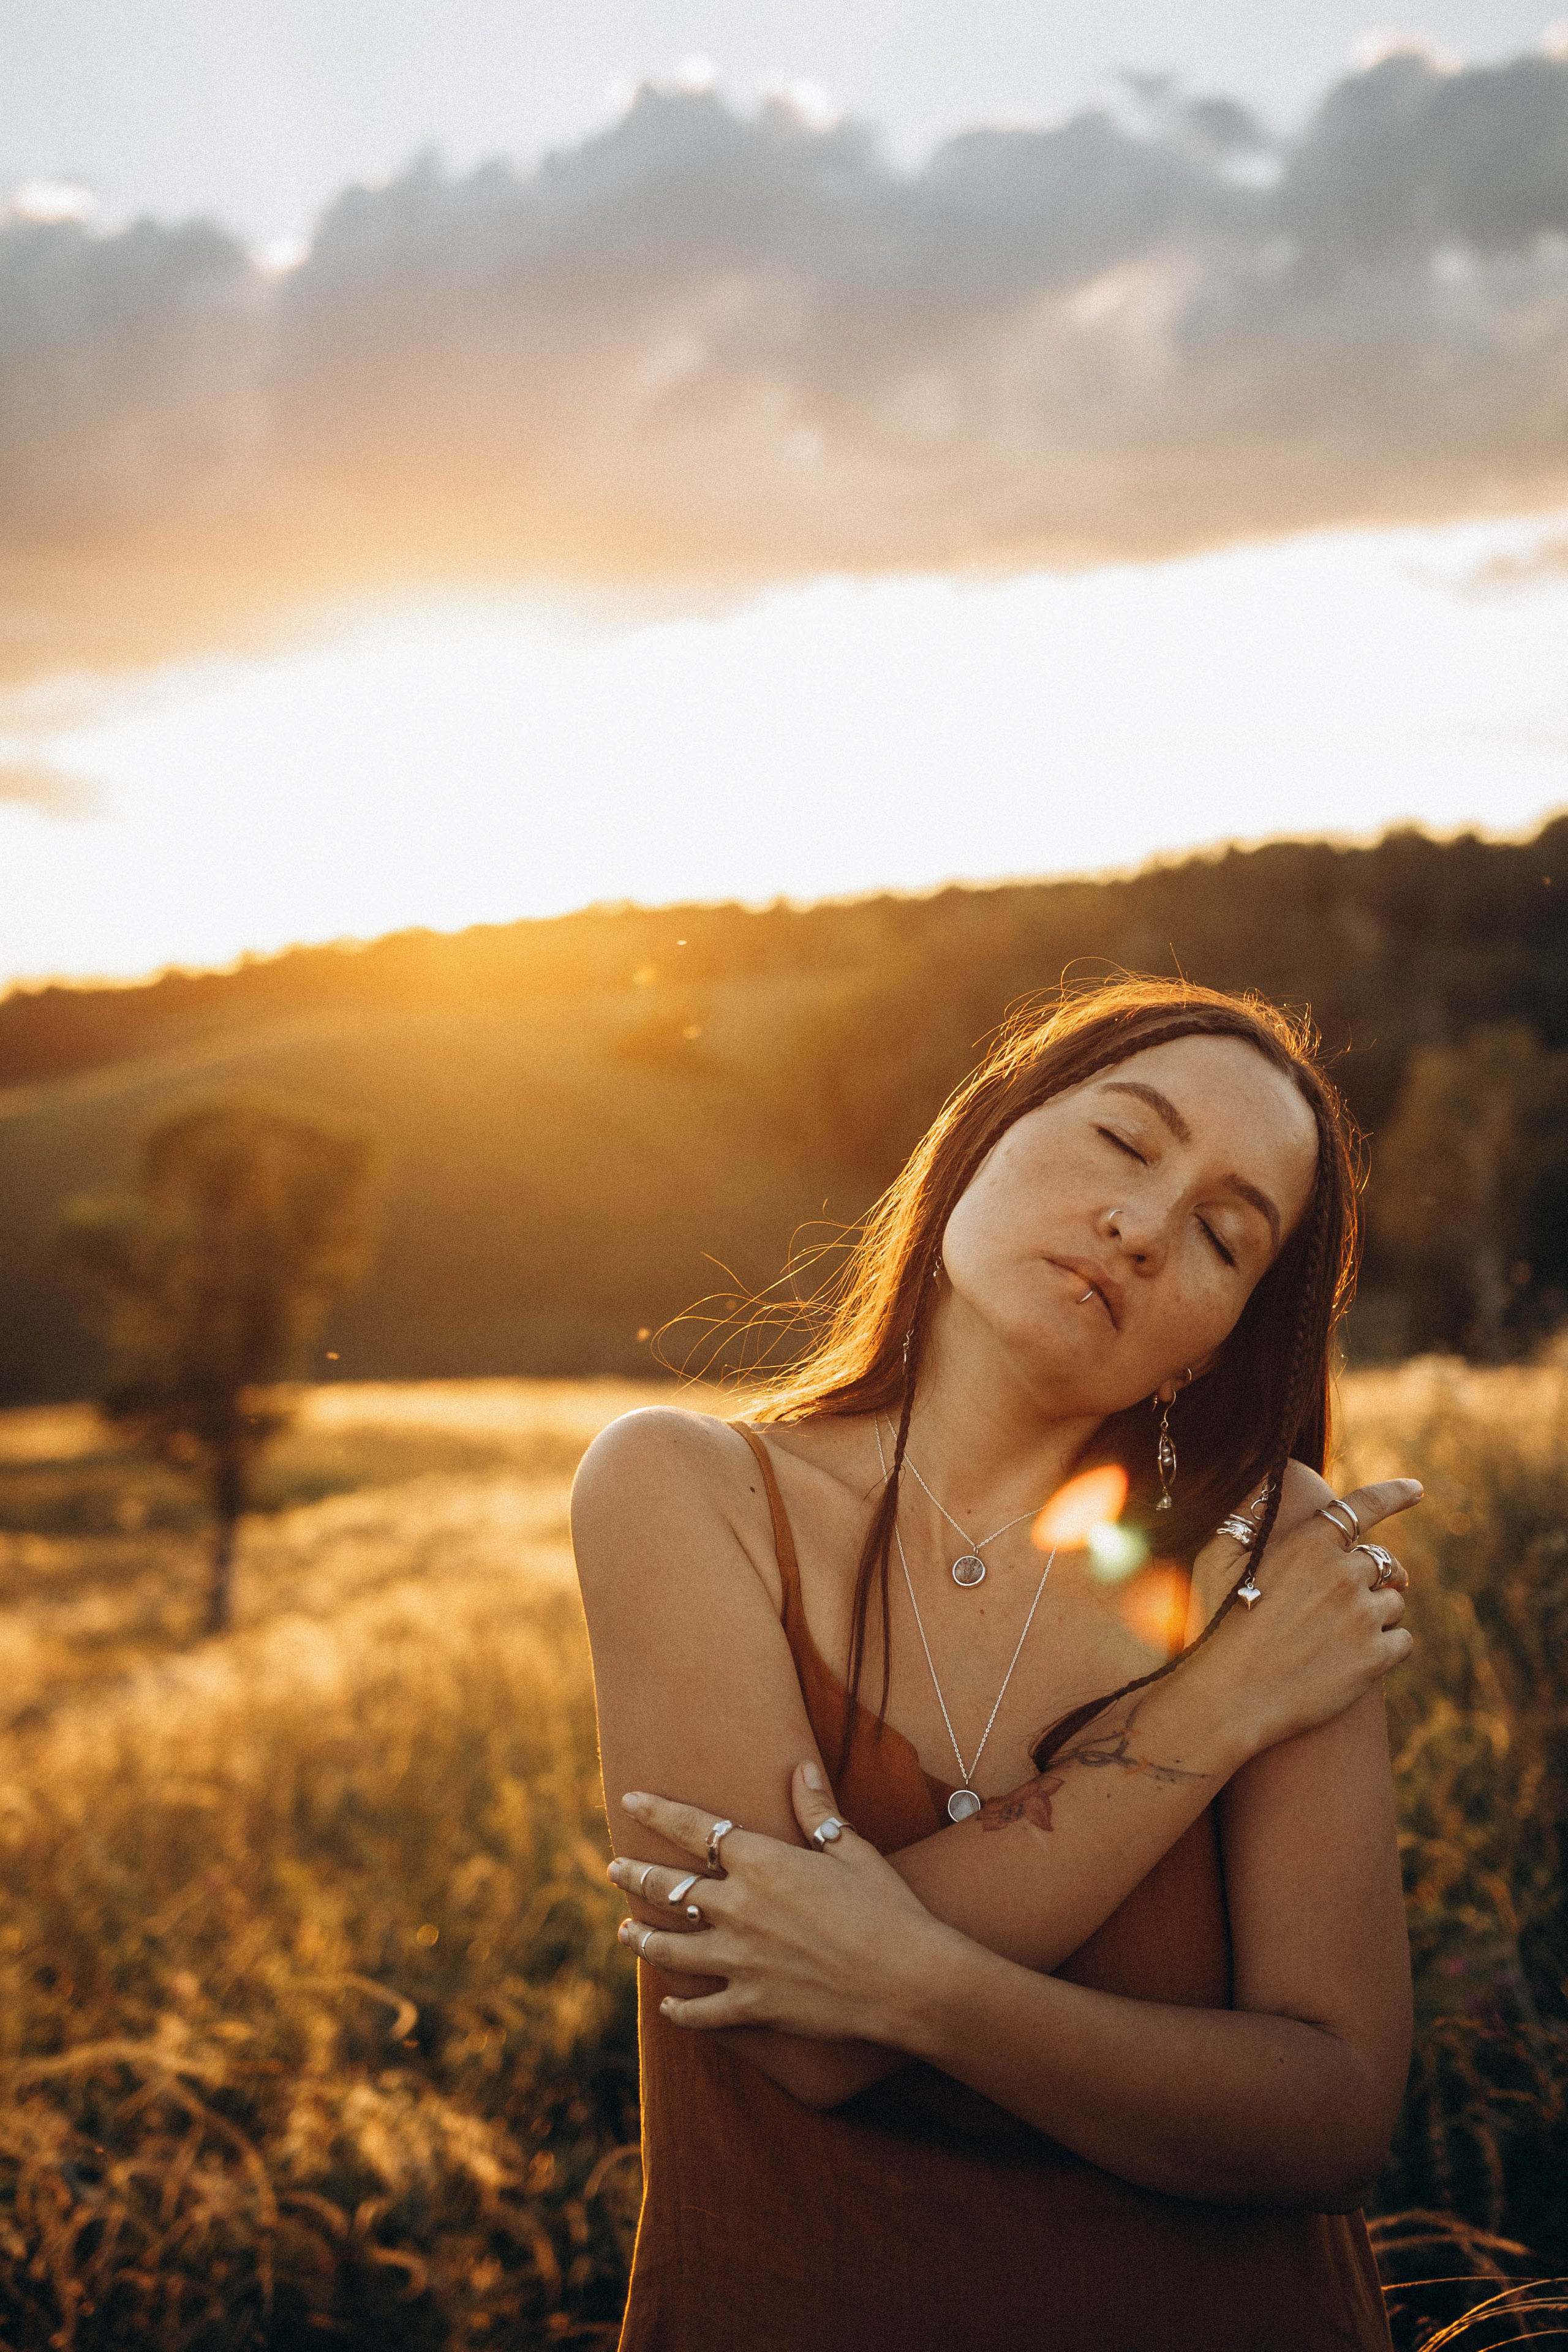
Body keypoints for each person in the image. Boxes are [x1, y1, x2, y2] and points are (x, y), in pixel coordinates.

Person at [571, 978, 1420, 2352]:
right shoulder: (685, 1490)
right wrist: (1207, 1714)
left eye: (1220, 1235)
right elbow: (797, 2033)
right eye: (1121, 1144)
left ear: (1218, 1337)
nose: (1139, 1230)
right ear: (980, 1134)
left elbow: (1329, 2115)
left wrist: (918, 1987)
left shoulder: (1274, 1556)